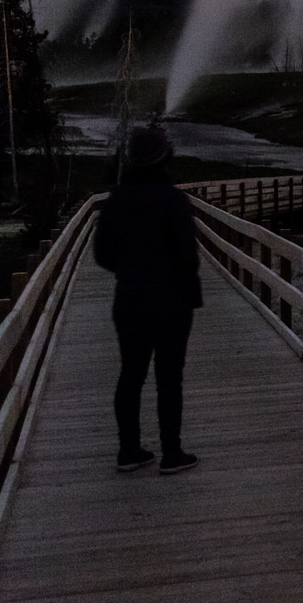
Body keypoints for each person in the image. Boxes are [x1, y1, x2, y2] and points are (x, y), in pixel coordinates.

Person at [92, 125, 202, 473]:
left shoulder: (114, 201)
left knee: (131, 374)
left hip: (130, 298)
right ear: (163, 159)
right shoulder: (174, 200)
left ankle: (129, 450)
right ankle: (172, 453)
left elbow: (101, 254)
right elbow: (189, 256)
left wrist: (129, 270)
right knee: (169, 376)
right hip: (172, 301)